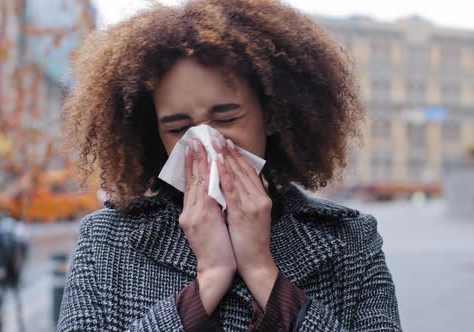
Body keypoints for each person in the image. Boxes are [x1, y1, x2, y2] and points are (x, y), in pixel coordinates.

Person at [57, 0, 402, 331]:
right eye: (178, 128)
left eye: (227, 117)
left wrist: (261, 270)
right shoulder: (107, 239)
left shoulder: (351, 238)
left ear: (270, 115)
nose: (206, 141)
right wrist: (209, 279)